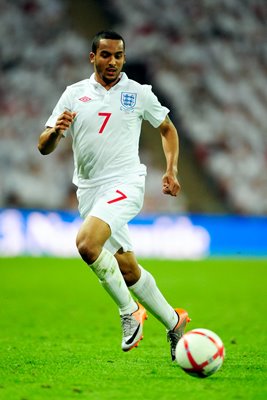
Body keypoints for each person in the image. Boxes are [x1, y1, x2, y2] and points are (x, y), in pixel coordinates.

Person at [38, 30, 190, 361]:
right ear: (92, 57)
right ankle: (174, 322)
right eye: (106, 55)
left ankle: (128, 311)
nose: (113, 61)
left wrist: (171, 170)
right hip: (90, 191)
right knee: (128, 270)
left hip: (125, 183)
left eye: (119, 55)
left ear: (124, 57)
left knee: (86, 244)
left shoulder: (138, 93)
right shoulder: (74, 94)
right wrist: (55, 131)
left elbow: (167, 129)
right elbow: (44, 147)